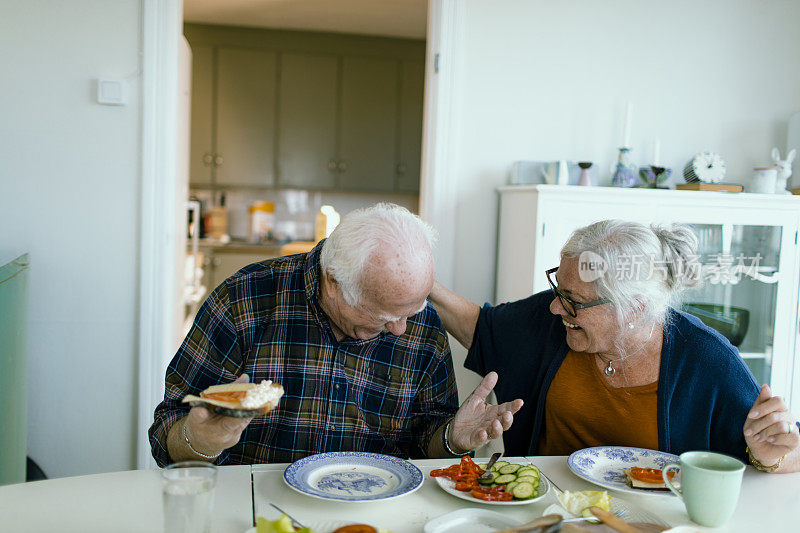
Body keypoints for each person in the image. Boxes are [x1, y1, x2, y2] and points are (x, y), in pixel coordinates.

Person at [149, 203, 522, 466]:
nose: (402, 328)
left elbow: (424, 443)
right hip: (254, 509)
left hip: (373, 513)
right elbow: (166, 434)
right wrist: (200, 442)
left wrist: (451, 439)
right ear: (333, 282)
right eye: (383, 315)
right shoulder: (244, 299)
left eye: (412, 310)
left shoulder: (419, 322)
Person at [430, 219, 800, 473]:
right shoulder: (550, 322)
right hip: (547, 515)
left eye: (572, 298)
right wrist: (422, 282)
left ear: (634, 308)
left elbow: (781, 447)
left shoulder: (706, 360)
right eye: (558, 289)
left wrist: (769, 457)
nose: (556, 306)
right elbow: (480, 326)